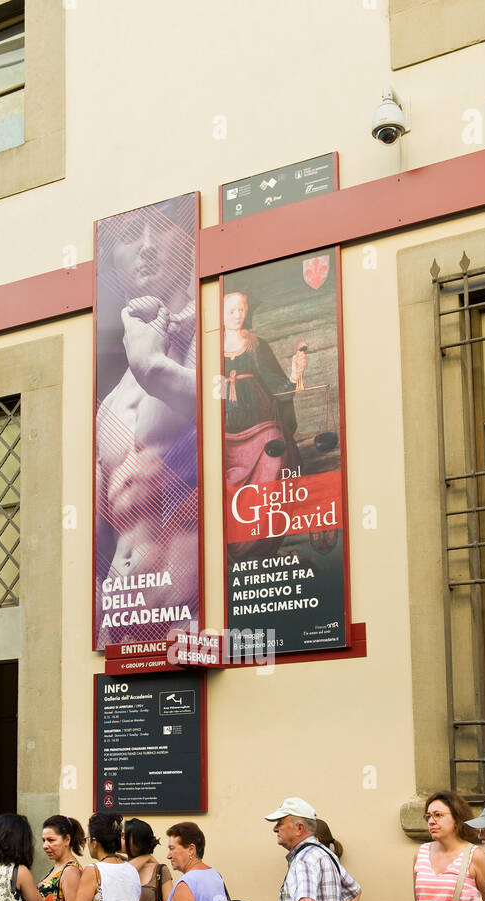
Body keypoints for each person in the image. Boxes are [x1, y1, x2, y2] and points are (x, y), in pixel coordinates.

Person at [94, 196, 199, 648]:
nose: (148, 247)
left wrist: (153, 367)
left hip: (191, 616)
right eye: (132, 235)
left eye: (163, 229)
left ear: (190, 242)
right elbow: (95, 530)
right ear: (113, 262)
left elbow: (232, 411)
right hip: (117, 620)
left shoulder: (205, 345)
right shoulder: (111, 403)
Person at [222, 289, 306, 488]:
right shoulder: (209, 349)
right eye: (231, 311)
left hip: (261, 427)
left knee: (275, 455)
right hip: (225, 435)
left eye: (241, 310)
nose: (237, 316)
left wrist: (295, 373)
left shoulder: (256, 344)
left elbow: (276, 383)